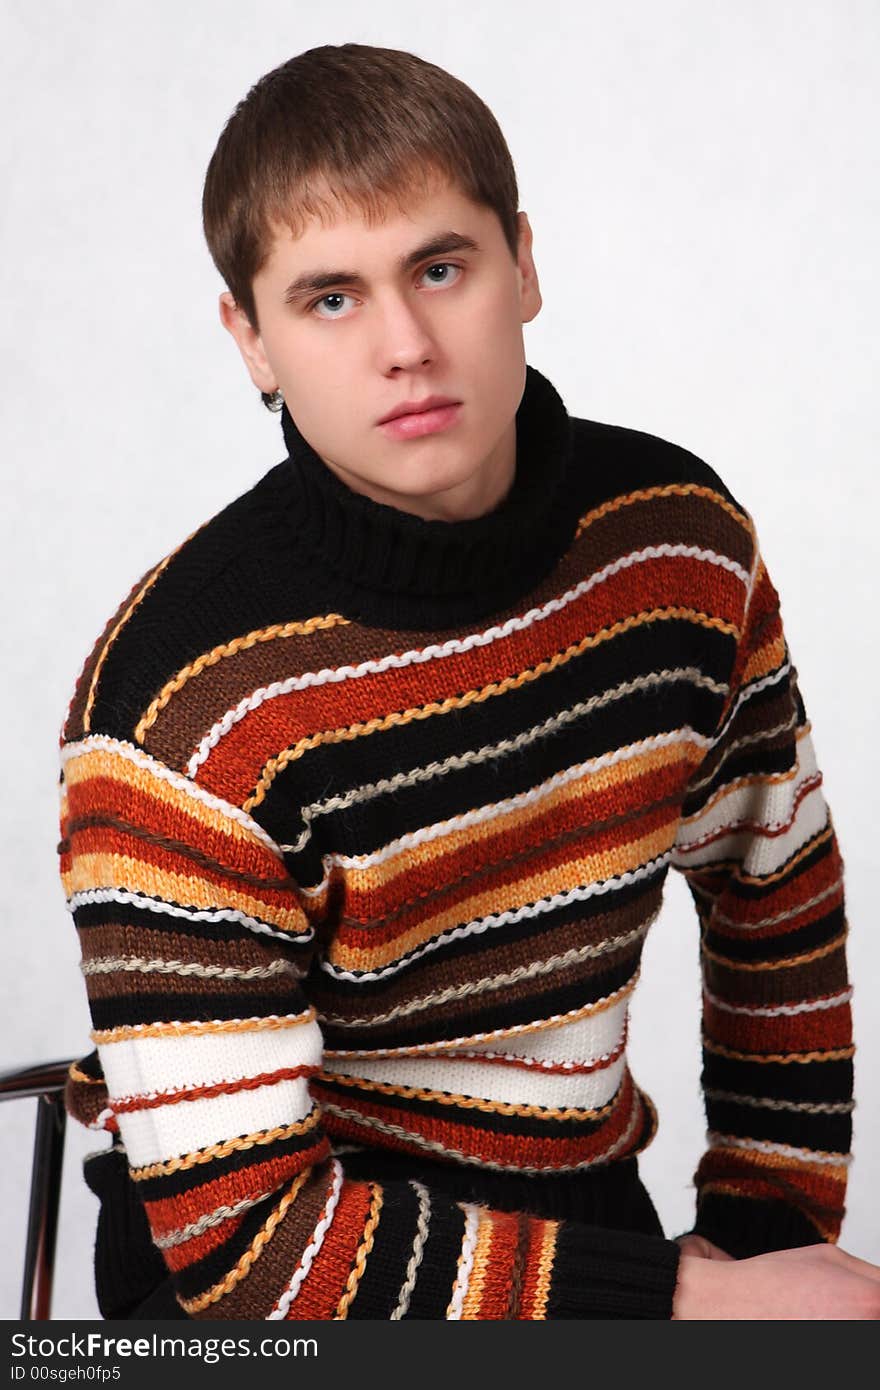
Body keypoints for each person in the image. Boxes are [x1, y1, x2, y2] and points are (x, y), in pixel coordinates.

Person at [58, 42, 879, 1320]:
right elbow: (244, 1251)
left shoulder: (675, 546)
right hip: (264, 1299)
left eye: (439, 268)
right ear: (251, 339)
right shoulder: (186, 708)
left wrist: (763, 1238)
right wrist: (692, 1305)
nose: (405, 344)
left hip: (580, 1225)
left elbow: (777, 900)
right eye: (329, 298)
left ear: (524, 265)